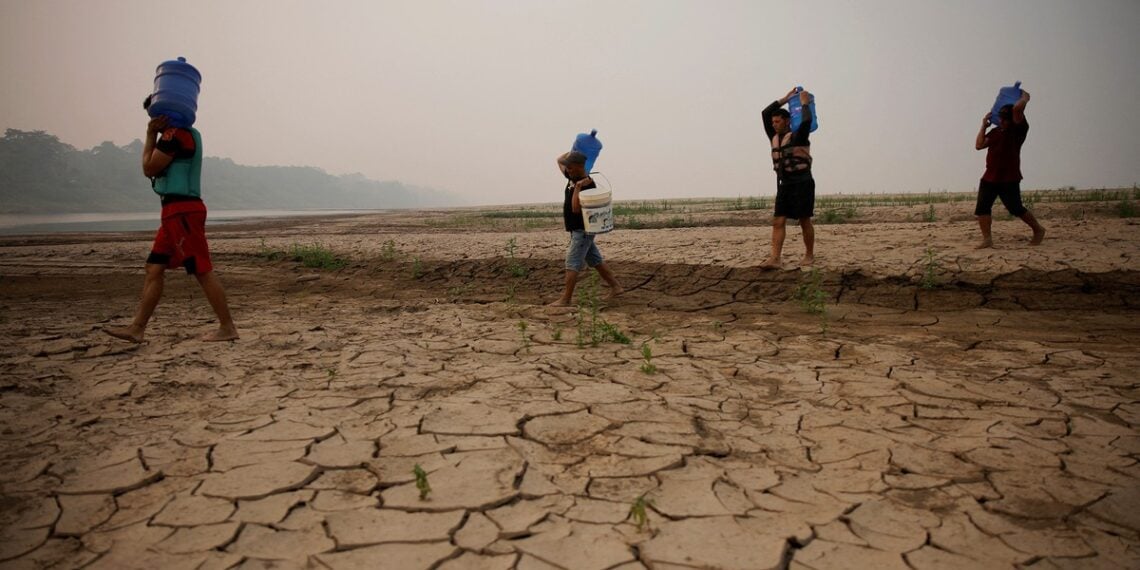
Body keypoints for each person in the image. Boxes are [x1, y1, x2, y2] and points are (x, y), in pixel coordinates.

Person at [103, 96, 238, 343]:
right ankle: (137, 328)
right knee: (154, 268)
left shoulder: (174, 136)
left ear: (163, 113)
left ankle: (227, 327)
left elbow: (149, 168)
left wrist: (149, 135)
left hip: (183, 212)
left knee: (201, 269)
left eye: (154, 116)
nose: (153, 121)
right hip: (172, 213)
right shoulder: (186, 134)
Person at [548, 151, 623, 307]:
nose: (566, 170)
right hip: (577, 230)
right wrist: (578, 148)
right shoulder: (572, 176)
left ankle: (566, 299)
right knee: (595, 261)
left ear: (578, 166)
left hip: (582, 230)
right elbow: (559, 160)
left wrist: (577, 188)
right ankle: (616, 287)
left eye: (570, 167)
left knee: (572, 262)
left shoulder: (587, 183)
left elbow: (576, 209)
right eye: (567, 167)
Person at [973, 89, 1045, 248]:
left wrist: (1025, 98)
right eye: (1002, 118)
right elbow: (979, 145)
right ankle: (987, 239)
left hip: (1009, 177)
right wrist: (983, 126)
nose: (1004, 121)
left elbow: (1017, 110)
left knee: (1016, 208)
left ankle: (1038, 230)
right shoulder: (996, 132)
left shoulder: (1018, 131)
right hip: (990, 176)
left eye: (1006, 118)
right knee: (982, 208)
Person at [760, 87, 816, 269]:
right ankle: (775, 258)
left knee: (804, 220)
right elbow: (765, 112)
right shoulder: (774, 137)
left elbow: (807, 120)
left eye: (777, 121)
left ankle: (809, 255)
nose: (774, 124)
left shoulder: (799, 134)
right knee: (778, 220)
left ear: (787, 121)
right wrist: (785, 98)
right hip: (785, 185)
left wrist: (804, 103)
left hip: (803, 183)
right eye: (773, 122)